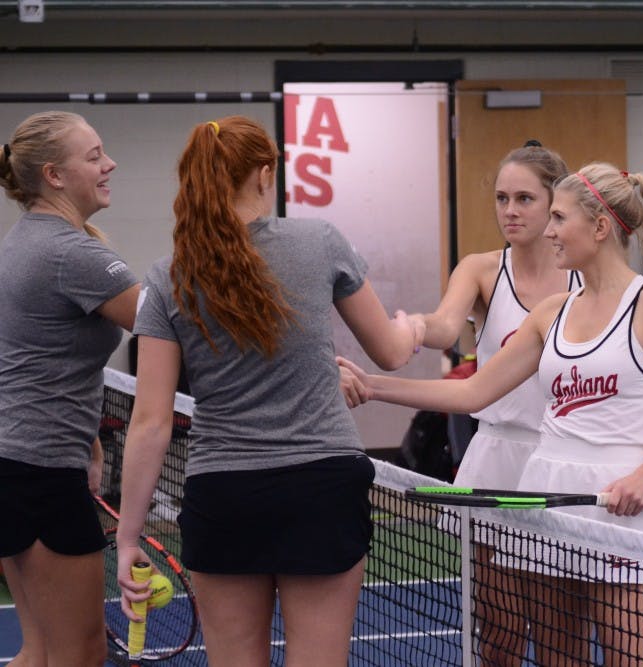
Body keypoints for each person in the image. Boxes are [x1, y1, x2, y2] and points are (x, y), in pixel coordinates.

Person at [340, 162, 643, 666]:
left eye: (559, 218)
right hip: (545, 498)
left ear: (600, 227)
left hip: (622, 510)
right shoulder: (551, 313)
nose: (548, 231)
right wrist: (373, 387)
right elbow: (474, 392)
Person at [114, 115, 422, 667]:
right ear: (263, 173)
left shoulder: (167, 275)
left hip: (224, 497)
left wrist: (127, 537)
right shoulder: (320, 241)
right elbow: (392, 352)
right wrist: (414, 326)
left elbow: (151, 421)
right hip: (321, 489)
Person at [411, 140, 576, 666]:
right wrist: (410, 328)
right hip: (496, 462)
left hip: (562, 464)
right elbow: (444, 327)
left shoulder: (586, 279)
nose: (510, 211)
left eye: (524, 199)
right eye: (502, 199)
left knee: (559, 642)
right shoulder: (481, 270)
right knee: (499, 639)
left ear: (554, 203)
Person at [0, 111, 140, 667]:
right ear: (54, 176)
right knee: (80, 654)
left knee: (39, 652)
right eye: (94, 156)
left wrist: (90, 440)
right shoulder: (71, 254)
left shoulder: (26, 240)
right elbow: (172, 326)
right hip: (38, 474)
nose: (110, 164)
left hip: (17, 464)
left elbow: (37, 356)